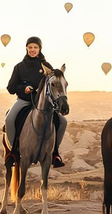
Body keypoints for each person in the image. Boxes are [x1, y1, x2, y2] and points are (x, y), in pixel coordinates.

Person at [5, 36, 67, 168]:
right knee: (9, 119)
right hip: (24, 101)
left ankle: (54, 153)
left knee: (62, 122)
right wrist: (23, 89)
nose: (32, 50)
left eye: (35, 47)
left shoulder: (47, 67)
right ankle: (14, 152)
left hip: (43, 104)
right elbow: (11, 87)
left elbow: (54, 83)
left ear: (40, 49)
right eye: (30, 47)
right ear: (26, 49)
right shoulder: (19, 67)